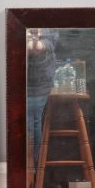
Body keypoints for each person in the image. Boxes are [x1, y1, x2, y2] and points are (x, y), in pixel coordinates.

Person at [27, 29, 59, 167]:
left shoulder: (49, 31)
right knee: (31, 122)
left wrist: (32, 39)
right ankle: (31, 166)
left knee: (32, 122)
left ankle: (31, 165)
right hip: (25, 83)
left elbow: (39, 48)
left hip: (39, 86)